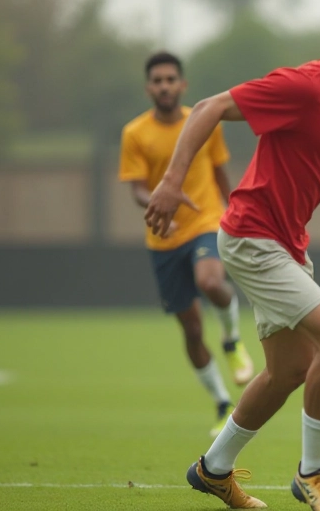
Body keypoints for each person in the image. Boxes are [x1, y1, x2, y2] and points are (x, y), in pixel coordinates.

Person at [144, 0, 320, 511]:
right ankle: (312, 475)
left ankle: (213, 470)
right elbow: (207, 107)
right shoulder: (301, 87)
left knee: (288, 371)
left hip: (287, 245)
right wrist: (172, 181)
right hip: (252, 237)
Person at [118, 51, 255, 438]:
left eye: (170, 79)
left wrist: (235, 213)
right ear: (149, 88)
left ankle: (231, 341)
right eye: (157, 80)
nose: (164, 86)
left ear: (183, 85)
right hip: (163, 239)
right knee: (192, 331)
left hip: (205, 222)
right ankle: (222, 403)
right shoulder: (135, 134)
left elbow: (219, 170)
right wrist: (160, 202)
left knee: (212, 282)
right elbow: (138, 190)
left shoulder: (205, 120)